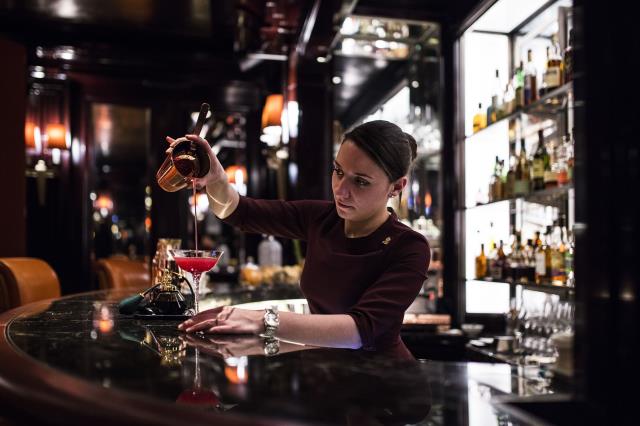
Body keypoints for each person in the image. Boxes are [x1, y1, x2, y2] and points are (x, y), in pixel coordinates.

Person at [170, 120, 430, 358]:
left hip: (389, 388)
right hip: (330, 377)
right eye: (338, 171)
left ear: (396, 187)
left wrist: (262, 320)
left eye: (360, 182)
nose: (341, 190)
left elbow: (360, 331)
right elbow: (240, 212)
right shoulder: (322, 219)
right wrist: (216, 177)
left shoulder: (409, 247)